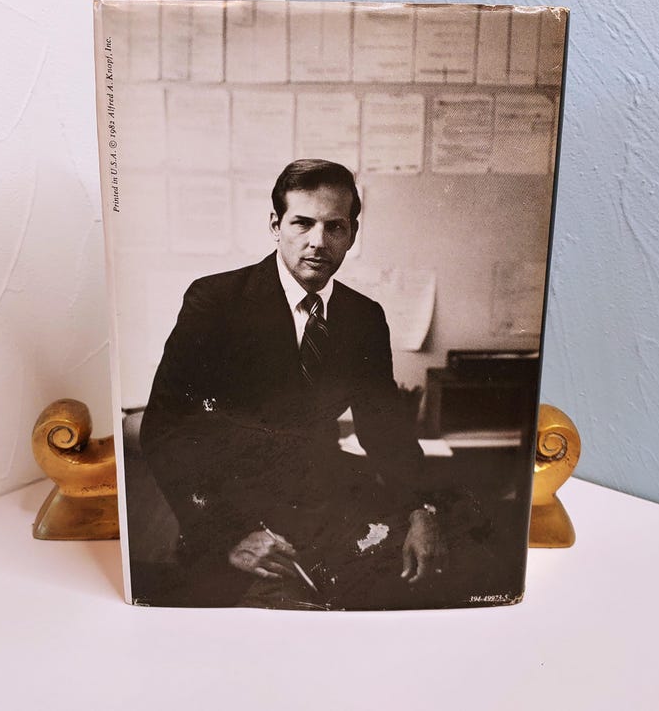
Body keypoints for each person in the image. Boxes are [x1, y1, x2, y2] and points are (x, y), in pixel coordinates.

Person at [139, 159, 448, 609]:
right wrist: (230, 535)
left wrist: (423, 509)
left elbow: (386, 432)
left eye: (334, 227)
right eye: (302, 223)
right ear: (275, 224)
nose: (317, 242)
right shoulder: (215, 301)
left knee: (419, 579)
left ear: (352, 235)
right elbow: (164, 430)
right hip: (225, 506)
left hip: (318, 501)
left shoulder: (363, 318)